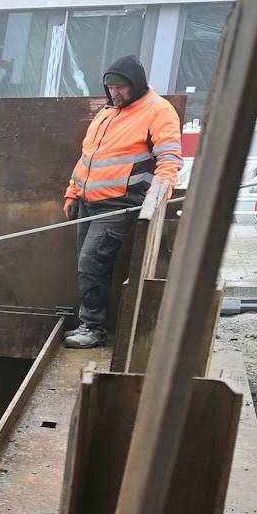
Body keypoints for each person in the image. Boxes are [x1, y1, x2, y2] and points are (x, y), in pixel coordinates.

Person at [61, 55, 183, 349]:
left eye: (120, 88)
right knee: (88, 265)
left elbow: (169, 158)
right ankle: (89, 323)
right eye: (110, 87)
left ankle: (93, 327)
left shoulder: (158, 111)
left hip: (119, 204)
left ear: (136, 85)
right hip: (89, 202)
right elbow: (88, 157)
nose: (114, 93)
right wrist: (73, 191)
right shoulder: (108, 112)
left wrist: (159, 196)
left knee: (92, 263)